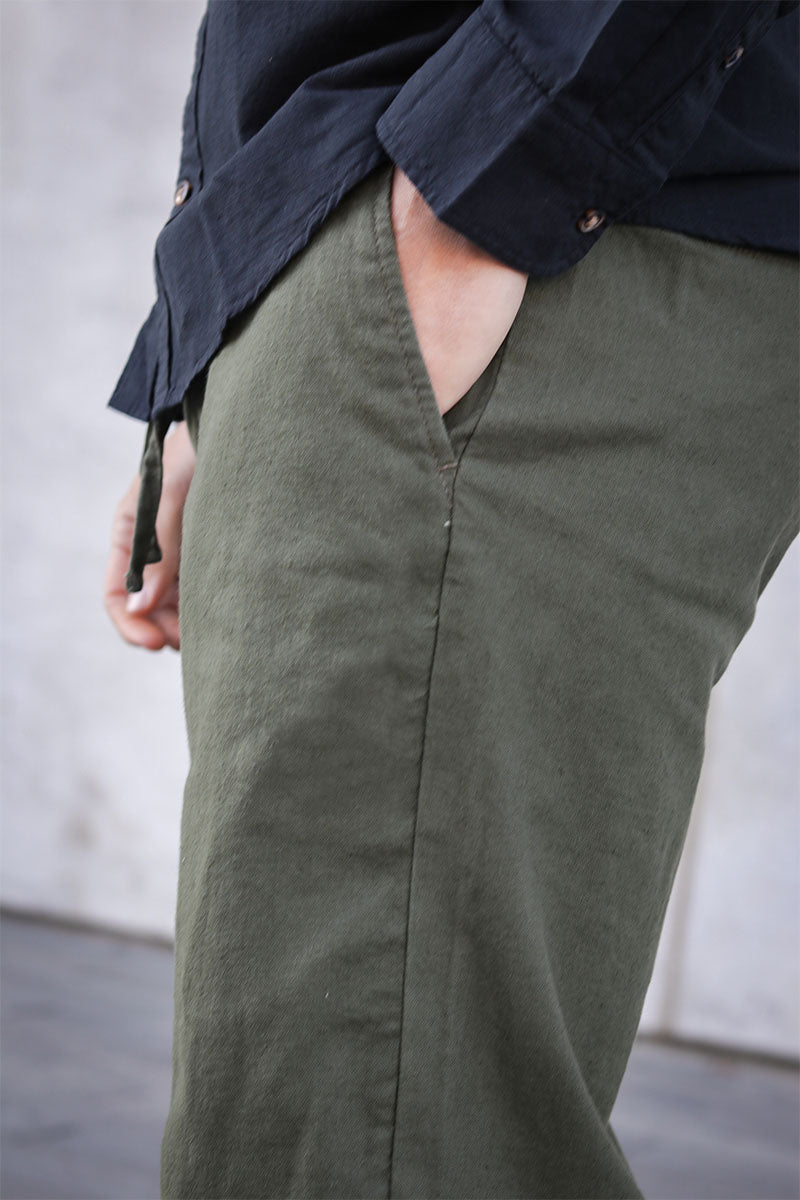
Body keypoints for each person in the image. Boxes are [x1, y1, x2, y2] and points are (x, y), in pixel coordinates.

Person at [104, 4, 800, 1197]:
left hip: (511, 225)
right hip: (378, 221)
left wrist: (487, 186)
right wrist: (203, 334)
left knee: (359, 1129)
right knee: (343, 1099)